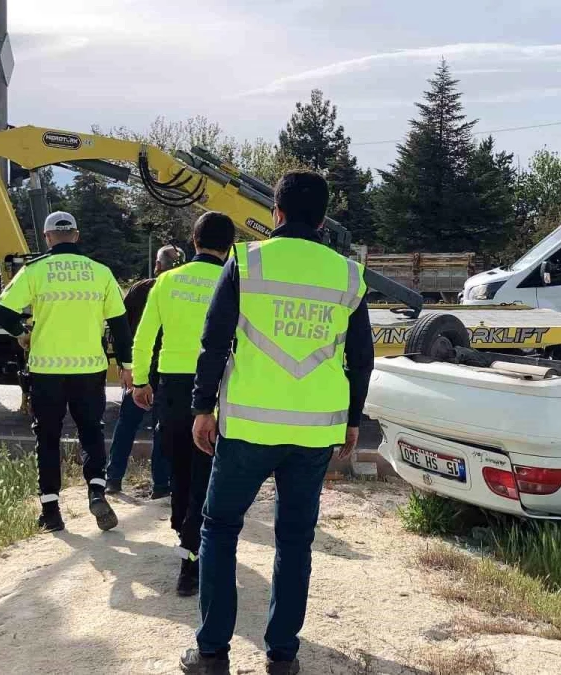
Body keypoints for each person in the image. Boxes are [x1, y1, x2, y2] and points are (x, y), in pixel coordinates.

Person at [180, 172, 374, 675]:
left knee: (219, 530)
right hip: (314, 432)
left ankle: (211, 654)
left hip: (248, 427)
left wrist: (203, 407)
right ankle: (282, 656)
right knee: (294, 540)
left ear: (276, 213)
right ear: (324, 219)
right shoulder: (348, 274)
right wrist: (352, 420)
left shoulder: (246, 261)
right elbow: (361, 357)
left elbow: (214, 340)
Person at [0, 211, 134, 533]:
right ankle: (97, 490)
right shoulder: (101, 273)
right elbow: (121, 327)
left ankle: (51, 511)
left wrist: (21, 332)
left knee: (48, 438)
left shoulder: (35, 270)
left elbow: (0, 309)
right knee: (92, 432)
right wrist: (127, 367)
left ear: (47, 237)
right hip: (89, 368)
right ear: (77, 235)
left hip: (46, 369)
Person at [130, 213, 235, 598]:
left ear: (193, 241)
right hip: (218, 389)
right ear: (230, 246)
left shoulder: (167, 280)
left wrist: (141, 380)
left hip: (173, 388)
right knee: (206, 470)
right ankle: (191, 555)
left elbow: (144, 337)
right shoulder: (235, 282)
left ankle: (183, 532)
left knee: (179, 466)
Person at [104, 244, 185, 498]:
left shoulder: (140, 290)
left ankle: (113, 478)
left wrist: (124, 365)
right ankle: (161, 485)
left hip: (142, 366)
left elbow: (121, 329)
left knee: (128, 422)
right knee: (163, 426)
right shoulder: (184, 290)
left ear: (157, 265)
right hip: (169, 368)